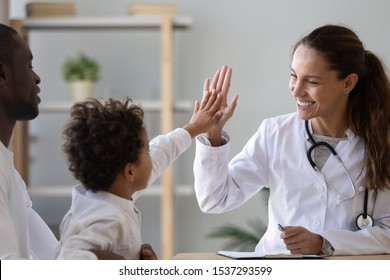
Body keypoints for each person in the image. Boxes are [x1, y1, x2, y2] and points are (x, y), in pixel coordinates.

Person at [0, 22, 222, 259]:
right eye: (28, 65)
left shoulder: (99, 199)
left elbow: (54, 257)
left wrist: (191, 129)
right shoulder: (104, 217)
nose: (36, 77)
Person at [193, 24, 390, 256]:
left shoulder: (380, 141)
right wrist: (212, 136)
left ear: (348, 83)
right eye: (294, 76)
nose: (297, 91)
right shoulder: (275, 133)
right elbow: (215, 200)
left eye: (312, 82)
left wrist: (325, 243)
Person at [55, 96, 221, 259]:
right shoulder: (106, 218)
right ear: (130, 172)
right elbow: (69, 258)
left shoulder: (106, 197)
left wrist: (192, 129)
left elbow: (160, 152)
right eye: (147, 152)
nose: (152, 157)